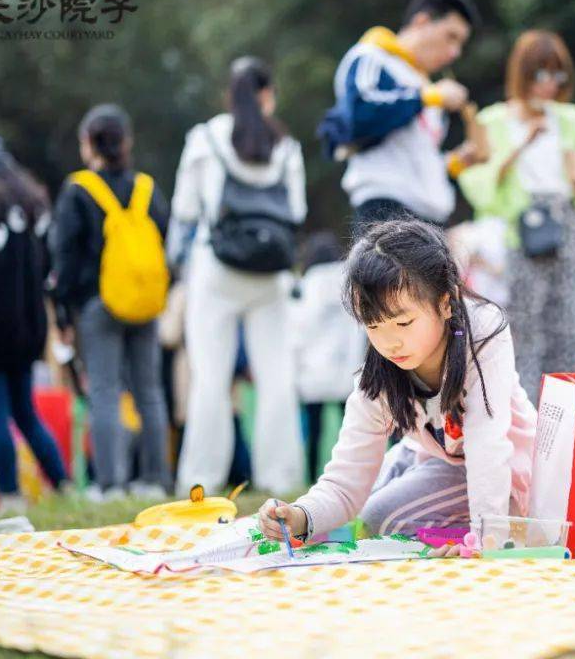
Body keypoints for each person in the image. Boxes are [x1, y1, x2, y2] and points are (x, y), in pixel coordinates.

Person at [256, 220, 536, 545]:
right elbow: (347, 480)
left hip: (507, 472)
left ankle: (484, 532)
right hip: (437, 458)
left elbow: (488, 443)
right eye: (374, 325)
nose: (390, 343)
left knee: (382, 517)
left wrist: (487, 540)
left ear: (447, 302)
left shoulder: (482, 332)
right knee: (369, 499)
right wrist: (301, 515)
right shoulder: (378, 378)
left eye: (404, 322)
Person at [170, 56, 307, 495]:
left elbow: (186, 209)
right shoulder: (286, 147)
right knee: (277, 378)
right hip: (270, 275)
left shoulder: (205, 138)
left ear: (230, 96)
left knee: (210, 378)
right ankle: (280, 478)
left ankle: (201, 479)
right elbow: (298, 211)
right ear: (268, 96)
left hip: (217, 270)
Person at [459, 30, 575, 403]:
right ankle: (524, 421)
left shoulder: (574, 119)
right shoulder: (493, 121)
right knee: (524, 327)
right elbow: (478, 186)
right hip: (522, 230)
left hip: (571, 225)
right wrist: (520, 147)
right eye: (541, 74)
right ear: (522, 74)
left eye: (558, 76)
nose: (549, 85)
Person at [51, 104, 172, 500]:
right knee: (149, 391)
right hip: (146, 302)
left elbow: (64, 257)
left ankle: (110, 483)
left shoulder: (78, 189)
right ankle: (154, 480)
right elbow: (166, 241)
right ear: (126, 142)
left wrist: (64, 310)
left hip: (98, 304)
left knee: (104, 390)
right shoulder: (146, 188)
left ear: (88, 143)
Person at [0, 144, 68, 514]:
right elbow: (47, 266)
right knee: (25, 413)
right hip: (28, 329)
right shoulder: (37, 209)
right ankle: (63, 484)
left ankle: (9, 493)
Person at [319, 0, 482, 231]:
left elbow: (412, 156)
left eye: (460, 44)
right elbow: (361, 116)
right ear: (421, 22)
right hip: (387, 209)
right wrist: (427, 98)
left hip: (431, 217)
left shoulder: (424, 84)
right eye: (451, 37)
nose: (455, 53)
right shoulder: (373, 56)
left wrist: (454, 163)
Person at [290, 232, 367, 481]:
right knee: (354, 430)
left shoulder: (306, 286)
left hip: (313, 373)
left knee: (314, 431)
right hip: (348, 371)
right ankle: (356, 476)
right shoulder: (350, 282)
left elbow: (298, 330)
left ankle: (312, 478)